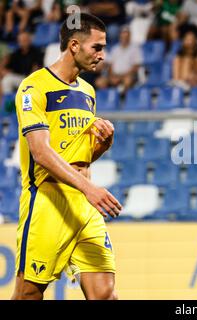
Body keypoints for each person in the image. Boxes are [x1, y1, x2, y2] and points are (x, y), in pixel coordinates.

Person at [11, 12, 122, 300]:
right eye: (97, 47)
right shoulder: (35, 87)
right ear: (74, 45)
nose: (102, 55)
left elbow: (78, 156)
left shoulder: (87, 91)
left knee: (105, 295)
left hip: (84, 205)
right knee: (28, 295)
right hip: (48, 202)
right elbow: (41, 152)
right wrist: (90, 189)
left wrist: (102, 145)